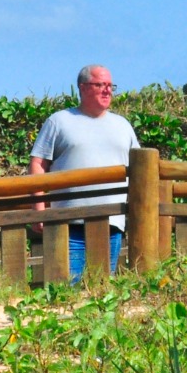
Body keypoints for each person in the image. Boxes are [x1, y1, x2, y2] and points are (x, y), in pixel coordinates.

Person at [30, 64, 140, 282]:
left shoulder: (123, 125)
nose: (107, 90)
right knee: (68, 286)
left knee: (103, 288)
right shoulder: (59, 121)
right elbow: (38, 164)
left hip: (112, 222)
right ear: (82, 87)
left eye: (110, 85)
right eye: (100, 84)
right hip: (69, 223)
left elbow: (139, 168)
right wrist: (39, 210)